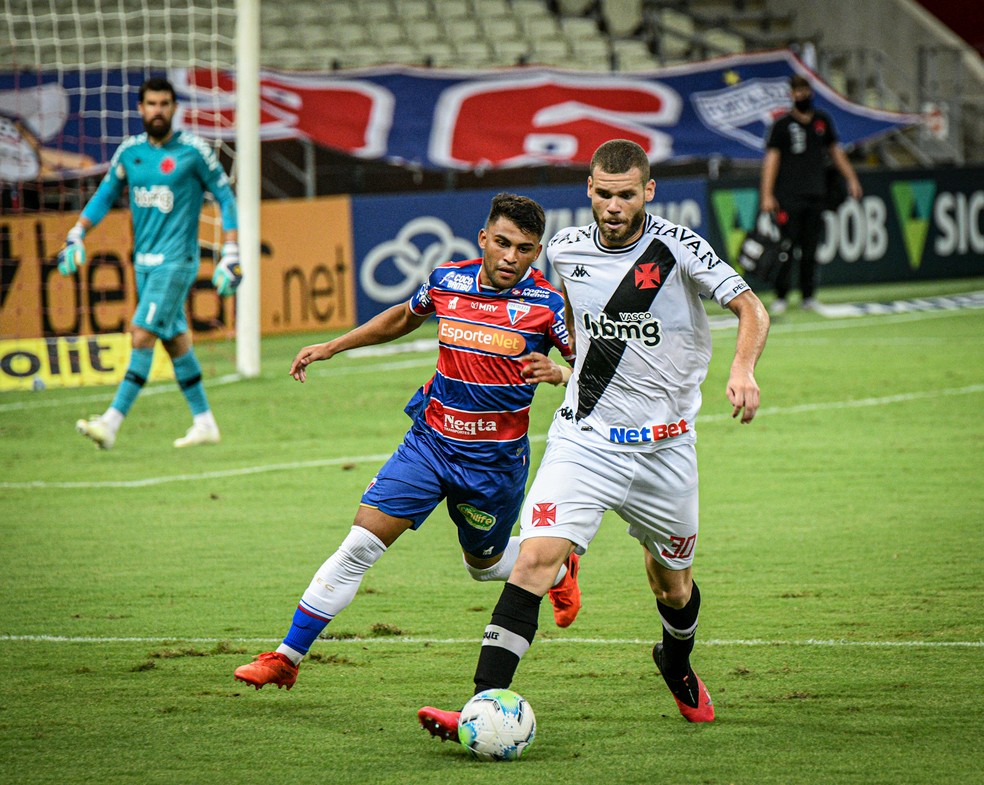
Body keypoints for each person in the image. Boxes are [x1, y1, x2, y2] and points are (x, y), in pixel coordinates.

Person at [418, 139, 770, 739]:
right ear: (589, 189)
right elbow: (579, 334)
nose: (613, 206)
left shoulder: (679, 248)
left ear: (647, 192)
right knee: (534, 559)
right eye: (603, 194)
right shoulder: (564, 249)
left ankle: (676, 662)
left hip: (665, 448)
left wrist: (743, 369)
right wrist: (565, 373)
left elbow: (752, 309)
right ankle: (479, 707)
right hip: (586, 440)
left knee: (672, 584)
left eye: (626, 195)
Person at [234, 193, 580, 692]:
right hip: (429, 444)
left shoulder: (547, 306)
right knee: (359, 545)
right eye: (502, 243)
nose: (510, 257)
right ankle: (287, 657)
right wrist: (332, 345)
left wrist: (560, 372)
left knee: (483, 567)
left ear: (537, 252)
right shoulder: (448, 281)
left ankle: (557, 566)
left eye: (523, 249)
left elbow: (592, 370)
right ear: (483, 238)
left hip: (493, 464)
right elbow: (402, 317)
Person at [57, 76, 241, 450]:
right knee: (174, 340)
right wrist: (77, 233)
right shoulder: (130, 152)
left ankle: (110, 422)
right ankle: (204, 422)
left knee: (141, 334)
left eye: (164, 104)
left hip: (177, 261)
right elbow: (105, 194)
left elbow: (225, 197)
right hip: (143, 263)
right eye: (152, 104)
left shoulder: (194, 152)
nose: (158, 111)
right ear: (141, 109)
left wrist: (231, 253)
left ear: (174, 108)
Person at [759, 74, 862, 315]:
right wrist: (767, 194)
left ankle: (808, 296)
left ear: (810, 92)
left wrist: (852, 179)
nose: (801, 95)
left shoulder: (822, 121)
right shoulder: (782, 125)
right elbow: (772, 160)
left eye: (804, 91)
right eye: (797, 91)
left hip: (816, 194)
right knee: (786, 248)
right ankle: (781, 295)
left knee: (811, 249)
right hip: (788, 196)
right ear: (791, 94)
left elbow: (835, 151)